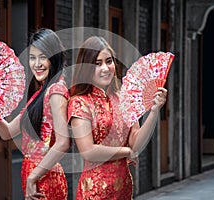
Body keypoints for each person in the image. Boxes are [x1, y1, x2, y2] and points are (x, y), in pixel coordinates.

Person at [0, 28, 70, 200]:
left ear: (54, 58)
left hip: (44, 177)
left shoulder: (55, 91)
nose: (37, 64)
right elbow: (6, 131)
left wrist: (34, 177)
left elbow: (62, 143)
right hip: (34, 173)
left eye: (43, 57)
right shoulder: (40, 94)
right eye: (33, 57)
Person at [68, 36, 167, 200]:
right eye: (97, 64)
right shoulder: (80, 102)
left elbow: (136, 142)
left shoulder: (123, 98)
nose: (106, 68)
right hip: (95, 191)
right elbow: (88, 151)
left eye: (109, 61)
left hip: (123, 187)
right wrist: (126, 152)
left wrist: (154, 111)